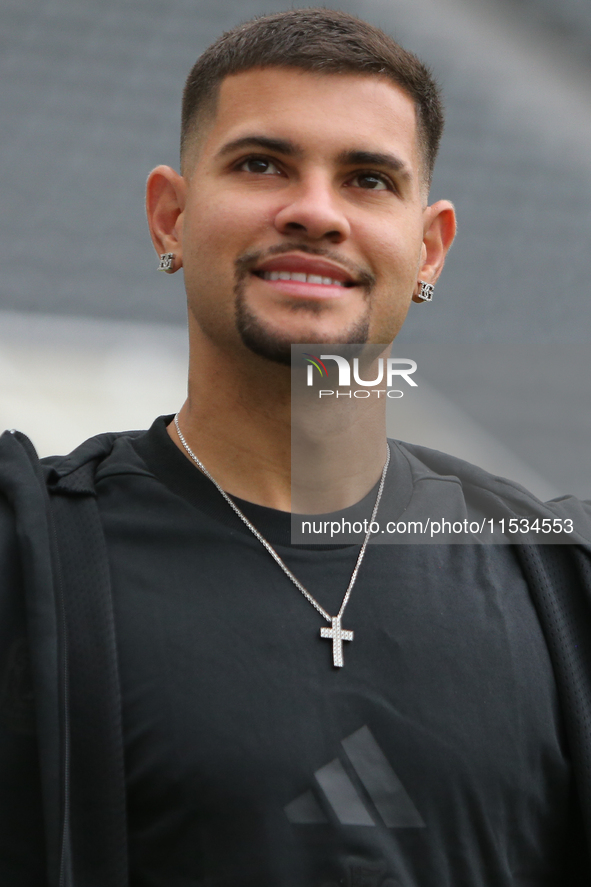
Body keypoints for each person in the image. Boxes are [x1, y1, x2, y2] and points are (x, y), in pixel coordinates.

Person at [1, 8, 591, 886]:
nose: (314, 211)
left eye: (366, 180)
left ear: (428, 249)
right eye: (261, 164)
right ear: (170, 215)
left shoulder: (555, 580)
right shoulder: (30, 561)